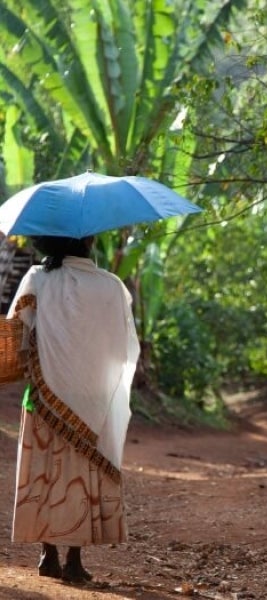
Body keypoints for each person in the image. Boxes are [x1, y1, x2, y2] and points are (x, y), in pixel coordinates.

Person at [6, 235, 140, 582]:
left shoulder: (37, 278)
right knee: (82, 473)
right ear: (89, 242)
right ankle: (74, 559)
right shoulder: (112, 286)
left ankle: (47, 554)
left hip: (43, 394)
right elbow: (122, 345)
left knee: (47, 469)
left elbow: (17, 330)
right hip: (94, 395)